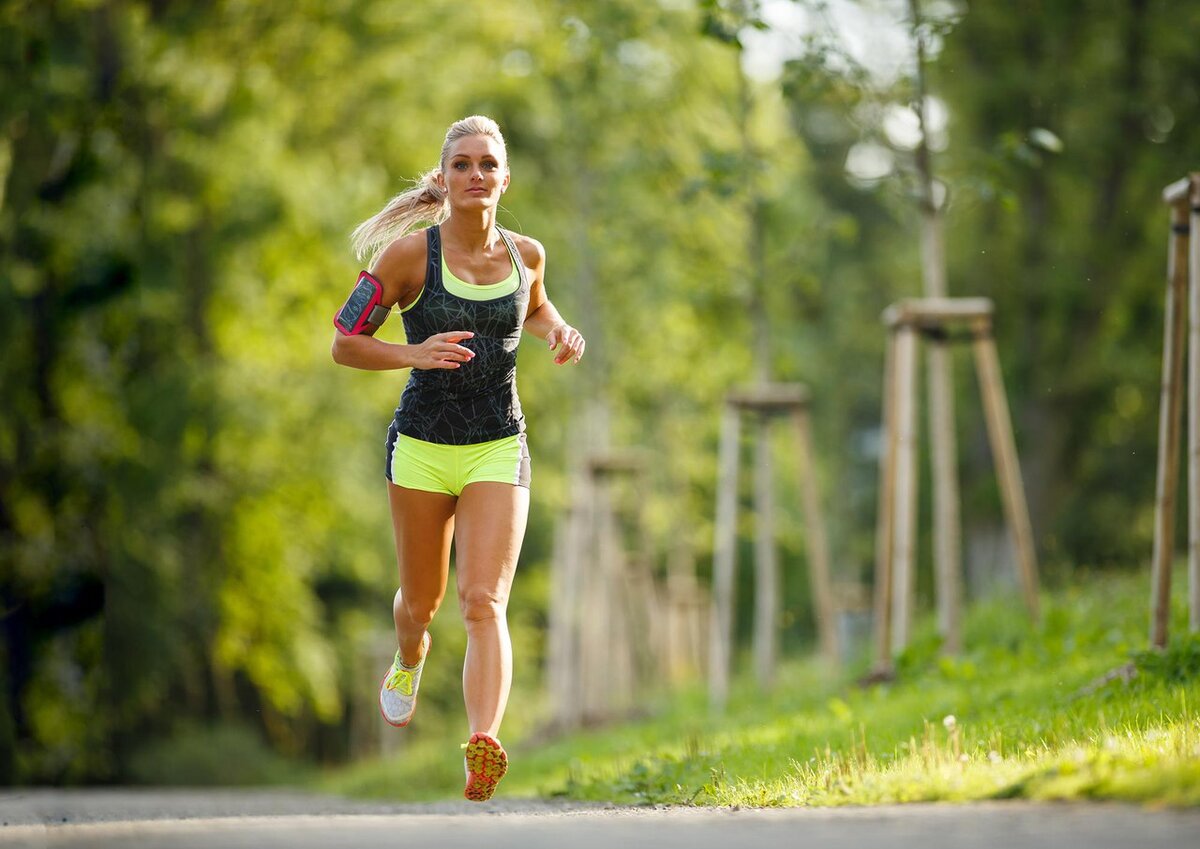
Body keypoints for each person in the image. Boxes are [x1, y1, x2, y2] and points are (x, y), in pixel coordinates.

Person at [331, 115, 584, 802]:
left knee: (483, 599)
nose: (476, 176)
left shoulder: (526, 253)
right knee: (423, 601)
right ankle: (409, 656)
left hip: (499, 442)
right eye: (463, 165)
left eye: (488, 165)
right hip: (420, 447)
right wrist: (412, 352)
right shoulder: (410, 257)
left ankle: (483, 742)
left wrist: (558, 328)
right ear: (444, 179)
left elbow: (532, 307)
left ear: (506, 178)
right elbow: (345, 342)